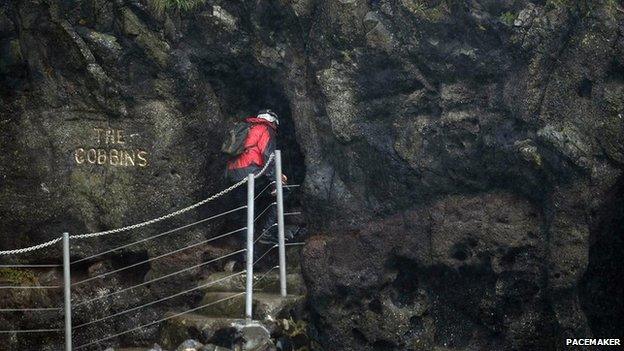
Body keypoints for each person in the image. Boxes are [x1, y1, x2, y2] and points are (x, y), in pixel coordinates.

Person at [225, 109, 288, 244]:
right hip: (252, 173)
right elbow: (268, 157)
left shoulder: (247, 127)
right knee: (281, 193)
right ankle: (267, 230)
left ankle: (246, 253)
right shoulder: (266, 129)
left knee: (244, 213)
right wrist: (275, 183)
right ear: (273, 121)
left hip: (233, 174)